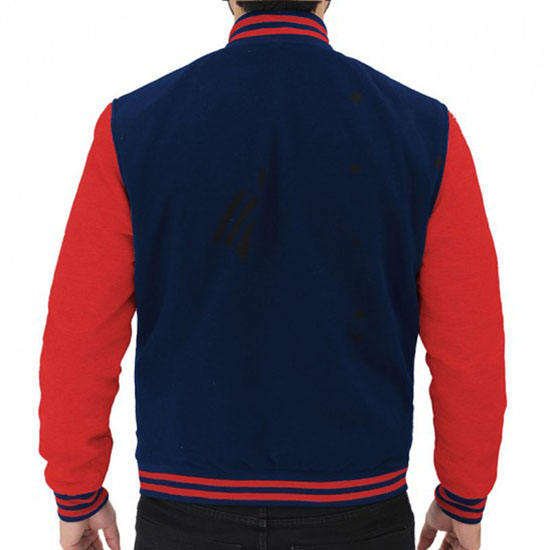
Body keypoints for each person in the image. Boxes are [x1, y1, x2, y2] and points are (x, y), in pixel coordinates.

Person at [39, 1, 506, 549]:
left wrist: (76, 489)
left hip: (187, 510)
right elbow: (469, 343)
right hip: (358, 508)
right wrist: (463, 493)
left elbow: (80, 331)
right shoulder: (425, 132)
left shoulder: (133, 128)